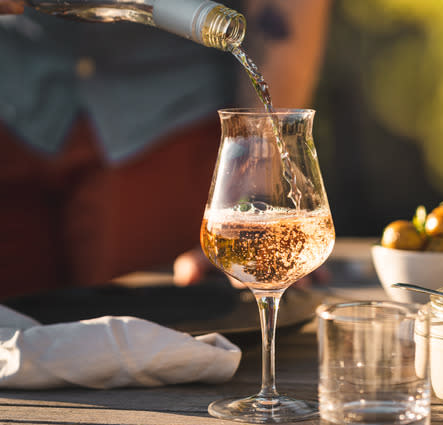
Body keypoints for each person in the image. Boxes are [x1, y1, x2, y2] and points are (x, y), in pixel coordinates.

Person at [0, 0, 332, 300]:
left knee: (150, 337)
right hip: (11, 111)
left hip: (168, 126)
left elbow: (287, 11)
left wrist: (255, 198)